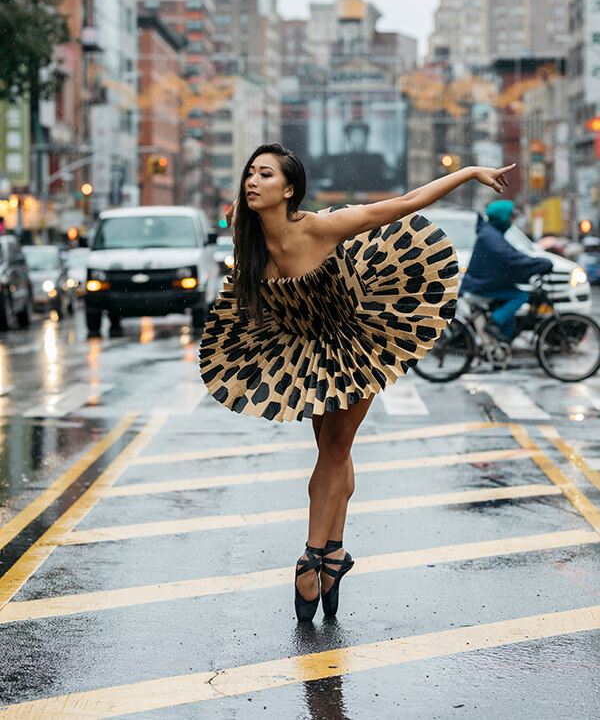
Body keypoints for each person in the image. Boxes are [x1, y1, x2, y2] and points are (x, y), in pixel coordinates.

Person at [200, 144, 515, 621]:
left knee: (333, 448)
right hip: (307, 348)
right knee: (334, 451)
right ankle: (335, 554)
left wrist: (470, 173)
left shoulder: (323, 226)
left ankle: (310, 558)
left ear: (288, 189)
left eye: (265, 174)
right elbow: (257, 294)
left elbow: (406, 205)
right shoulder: (250, 245)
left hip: (358, 338)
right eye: (249, 173)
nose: (252, 180)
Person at [460, 200, 553, 342]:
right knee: (520, 296)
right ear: (503, 217)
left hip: (483, 283)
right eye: (512, 217)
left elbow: (511, 256)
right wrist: (540, 264)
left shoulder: (491, 233)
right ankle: (494, 322)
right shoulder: (491, 236)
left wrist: (534, 264)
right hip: (480, 285)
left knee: (512, 303)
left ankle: (501, 344)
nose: (513, 221)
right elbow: (511, 257)